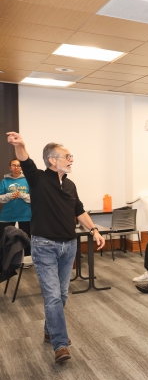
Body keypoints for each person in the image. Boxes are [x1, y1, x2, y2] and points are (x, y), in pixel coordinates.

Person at [7, 132, 106, 364]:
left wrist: (94, 230)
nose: (71, 159)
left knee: (60, 295)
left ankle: (49, 329)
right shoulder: (38, 178)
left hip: (68, 246)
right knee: (52, 296)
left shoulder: (70, 185)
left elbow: (79, 210)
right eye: (67, 156)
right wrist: (20, 145)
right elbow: (25, 161)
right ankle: (60, 344)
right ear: (52, 160)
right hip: (45, 246)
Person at [0, 158, 32, 255]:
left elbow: (34, 198)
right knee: (4, 238)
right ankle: (4, 259)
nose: (16, 168)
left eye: (18, 165)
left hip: (25, 214)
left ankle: (26, 259)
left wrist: (21, 195)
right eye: (14, 165)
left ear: (21, 167)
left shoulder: (27, 180)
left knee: (26, 237)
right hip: (8, 214)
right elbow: (0, 197)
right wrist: (9, 196)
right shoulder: (5, 181)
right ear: (10, 167)